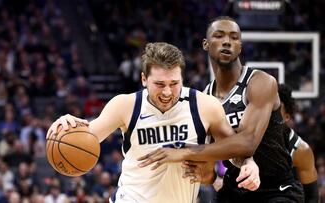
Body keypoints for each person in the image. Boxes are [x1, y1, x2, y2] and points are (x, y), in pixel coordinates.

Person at [46, 42, 259, 203]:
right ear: (143, 79)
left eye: (174, 83)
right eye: (159, 84)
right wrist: (67, 127)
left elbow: (235, 150)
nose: (167, 92)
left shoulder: (205, 106)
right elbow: (87, 138)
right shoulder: (125, 105)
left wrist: (249, 164)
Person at [138, 16, 304, 202]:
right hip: (234, 190)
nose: (227, 41)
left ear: (240, 47)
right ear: (206, 44)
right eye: (219, 36)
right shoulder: (205, 99)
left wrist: (181, 152)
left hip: (277, 190)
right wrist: (208, 177)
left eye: (234, 37)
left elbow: (247, 143)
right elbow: (209, 165)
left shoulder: (260, 82)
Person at [278, 84, 319, 202]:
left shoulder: (300, 150)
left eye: (276, 110)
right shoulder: (250, 138)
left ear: (287, 116)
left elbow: (312, 197)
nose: (270, 114)